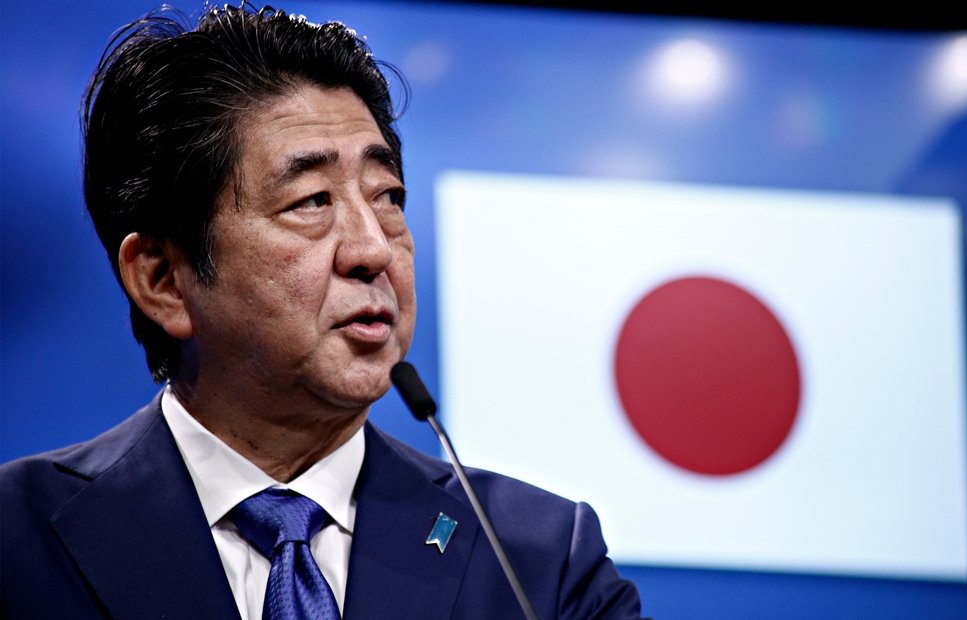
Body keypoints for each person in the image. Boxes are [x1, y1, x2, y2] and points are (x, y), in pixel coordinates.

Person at [0, 3, 643, 618]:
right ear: (164, 280)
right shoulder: (18, 540)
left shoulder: (539, 561)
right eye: (310, 201)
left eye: (387, 194)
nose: (373, 248)